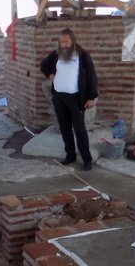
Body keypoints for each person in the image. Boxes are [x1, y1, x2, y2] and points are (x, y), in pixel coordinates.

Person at [39, 28, 99, 171]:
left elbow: (91, 76)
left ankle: (87, 159)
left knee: (79, 130)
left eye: (66, 42)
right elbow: (44, 66)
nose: (63, 45)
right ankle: (70, 155)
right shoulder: (56, 54)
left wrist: (91, 97)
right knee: (65, 128)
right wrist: (50, 75)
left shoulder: (82, 55)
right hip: (59, 97)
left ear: (73, 41)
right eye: (61, 42)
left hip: (76, 98)